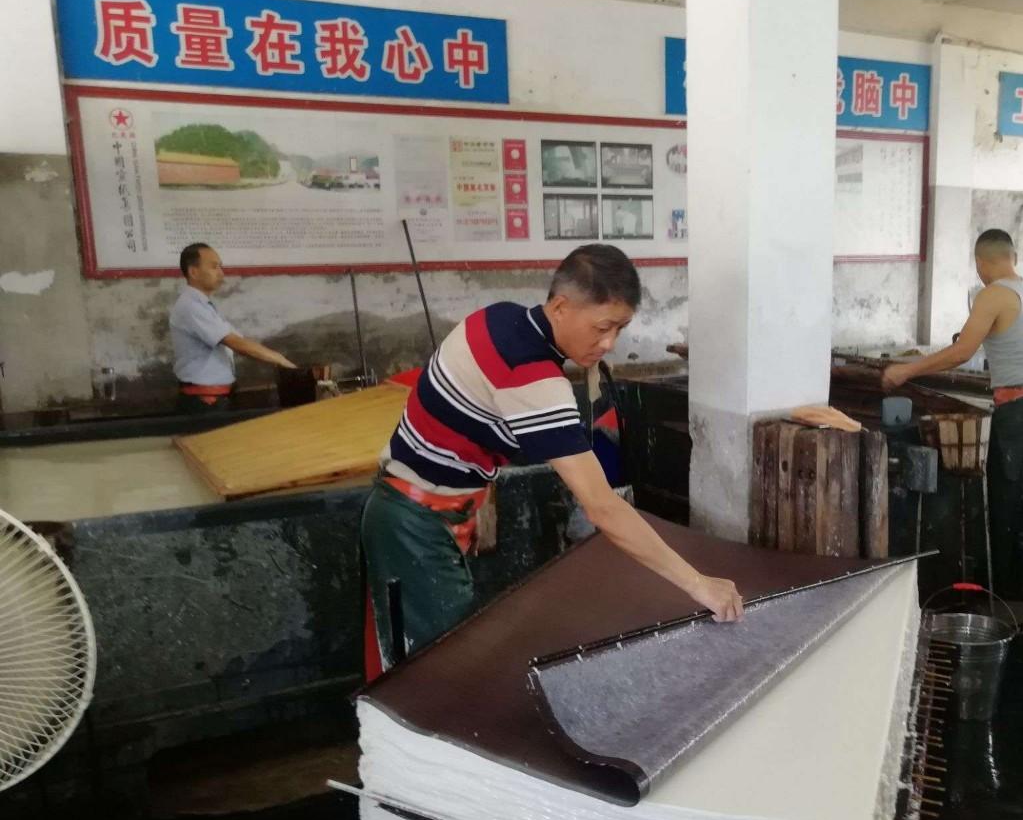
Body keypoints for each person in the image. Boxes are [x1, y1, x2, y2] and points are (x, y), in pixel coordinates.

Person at [361, 243, 743, 672]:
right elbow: (603, 507)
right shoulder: (533, 377)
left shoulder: (499, 318)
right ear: (560, 307)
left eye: (620, 329)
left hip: (414, 507)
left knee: (421, 660)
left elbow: (468, 420)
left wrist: (477, 496)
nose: (609, 343)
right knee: (438, 674)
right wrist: (699, 585)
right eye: (602, 327)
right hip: (415, 525)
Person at [881, 229, 1023, 599]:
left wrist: (905, 371)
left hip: (1022, 409)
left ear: (980, 262)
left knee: (1009, 498)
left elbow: (961, 353)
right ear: (1013, 257)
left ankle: (1015, 588)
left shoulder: (992, 294)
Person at [169, 242, 296, 414]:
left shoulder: (204, 306)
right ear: (193, 272)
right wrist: (280, 360)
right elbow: (235, 343)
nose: (221, 273)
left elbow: (239, 340)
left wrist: (274, 358)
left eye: (220, 267)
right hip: (204, 402)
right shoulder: (191, 306)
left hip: (216, 397)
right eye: (214, 267)